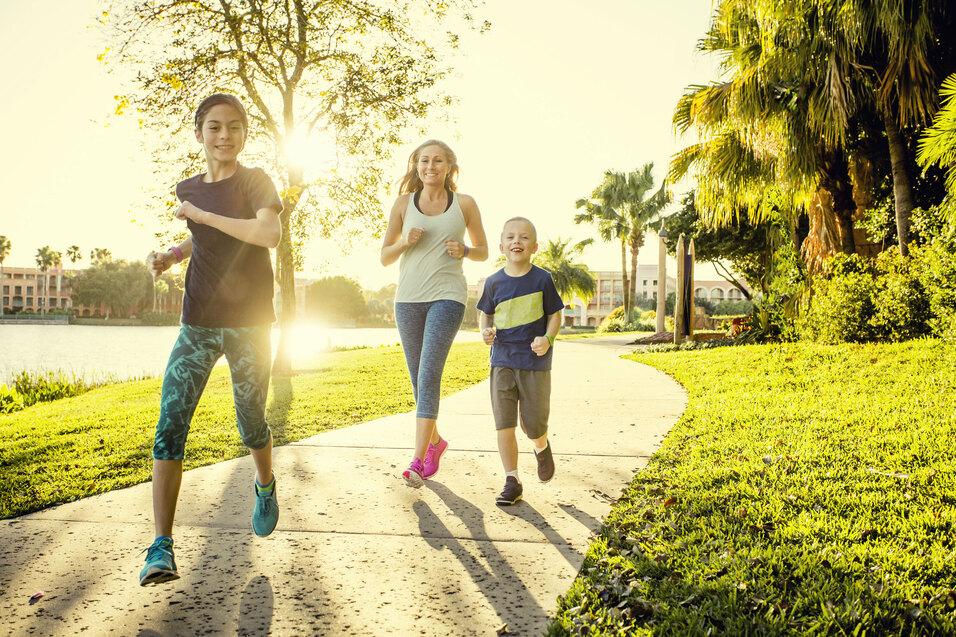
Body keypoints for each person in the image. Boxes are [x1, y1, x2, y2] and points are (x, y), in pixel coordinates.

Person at [139, 93, 283, 585]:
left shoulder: (255, 181)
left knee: (250, 421)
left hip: (249, 324)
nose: (225, 136)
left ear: (244, 133)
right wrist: (174, 254)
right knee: (169, 423)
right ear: (199, 133)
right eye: (215, 127)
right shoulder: (188, 188)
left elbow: (268, 236)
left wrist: (201, 217)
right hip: (197, 321)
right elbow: (203, 240)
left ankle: (264, 483)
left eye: (235, 127)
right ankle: (161, 545)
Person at [380, 140, 488, 488]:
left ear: (449, 166)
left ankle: (416, 460)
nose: (431, 166)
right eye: (424, 161)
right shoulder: (402, 204)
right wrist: (405, 242)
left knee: (428, 376)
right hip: (407, 300)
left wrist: (465, 250)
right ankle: (436, 443)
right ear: (416, 166)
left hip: (448, 297)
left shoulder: (465, 204)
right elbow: (384, 256)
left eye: (438, 160)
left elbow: (483, 251)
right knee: (418, 381)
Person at [476, 217, 564, 506]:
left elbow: (555, 315)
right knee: (504, 423)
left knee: (534, 424)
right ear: (501, 245)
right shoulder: (492, 282)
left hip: (534, 363)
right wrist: (485, 331)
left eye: (524, 237)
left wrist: (548, 339)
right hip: (501, 359)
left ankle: (541, 446)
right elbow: (484, 314)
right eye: (511, 237)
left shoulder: (542, 279)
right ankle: (512, 480)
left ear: (534, 246)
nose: (517, 241)